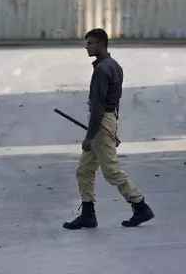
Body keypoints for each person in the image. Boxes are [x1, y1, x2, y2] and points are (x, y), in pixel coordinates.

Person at [63, 28, 155, 230]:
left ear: (102, 44)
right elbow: (115, 102)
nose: (87, 47)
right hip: (107, 120)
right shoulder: (114, 66)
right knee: (84, 170)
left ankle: (140, 205)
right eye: (86, 43)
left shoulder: (102, 70)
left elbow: (98, 107)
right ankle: (88, 215)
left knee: (111, 170)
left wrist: (90, 136)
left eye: (90, 43)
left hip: (101, 122)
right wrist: (113, 128)